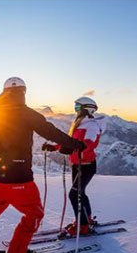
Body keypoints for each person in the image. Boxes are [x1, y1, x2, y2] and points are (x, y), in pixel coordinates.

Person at [0, 77, 85, 253]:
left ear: (4, 92)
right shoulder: (27, 114)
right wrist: (75, 144)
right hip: (19, 178)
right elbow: (51, 133)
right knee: (34, 213)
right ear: (23, 92)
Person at [42, 96, 104, 236]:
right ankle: (86, 220)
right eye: (75, 107)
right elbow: (72, 143)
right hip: (77, 165)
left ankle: (83, 226)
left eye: (78, 107)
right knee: (80, 193)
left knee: (74, 194)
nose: (75, 110)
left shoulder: (92, 126)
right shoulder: (79, 125)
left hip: (86, 165)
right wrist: (55, 147)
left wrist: (75, 149)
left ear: (87, 109)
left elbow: (89, 143)